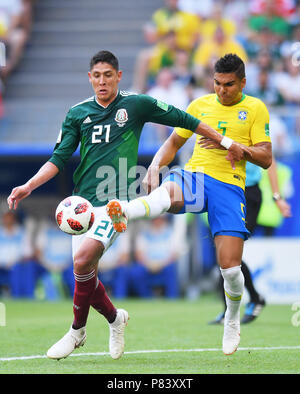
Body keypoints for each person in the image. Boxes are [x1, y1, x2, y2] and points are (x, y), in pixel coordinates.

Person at [7, 50, 247, 361]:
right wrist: (28, 185)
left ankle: (76, 332)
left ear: (118, 76)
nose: (102, 81)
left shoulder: (136, 104)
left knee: (82, 263)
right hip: (83, 205)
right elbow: (58, 159)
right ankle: (115, 319)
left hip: (117, 202)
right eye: (97, 76)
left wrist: (226, 142)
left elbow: (186, 120)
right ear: (90, 78)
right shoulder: (77, 114)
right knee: (86, 276)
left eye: (108, 75)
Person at [106, 53, 273, 355]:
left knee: (231, 269)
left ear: (243, 83)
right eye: (217, 83)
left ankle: (232, 321)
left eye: (229, 85)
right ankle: (127, 210)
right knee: (169, 190)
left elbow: (266, 157)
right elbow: (173, 142)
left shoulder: (255, 108)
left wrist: (240, 150)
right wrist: (156, 165)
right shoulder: (199, 106)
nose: (222, 90)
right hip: (196, 175)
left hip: (230, 187)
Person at [209, 159, 292, 325]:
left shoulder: (251, 132)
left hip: (247, 193)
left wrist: (277, 197)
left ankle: (252, 299)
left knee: (229, 252)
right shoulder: (216, 133)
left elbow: (269, 160)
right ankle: (236, 307)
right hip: (225, 191)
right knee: (222, 255)